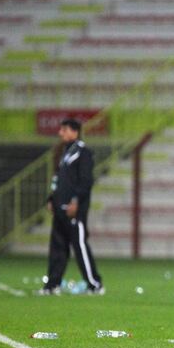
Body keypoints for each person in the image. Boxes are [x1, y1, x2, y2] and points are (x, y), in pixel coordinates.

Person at [39, 118, 103, 295]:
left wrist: (76, 201)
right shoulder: (64, 152)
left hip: (74, 210)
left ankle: (95, 284)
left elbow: (86, 181)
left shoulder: (84, 153)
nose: (61, 133)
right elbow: (57, 179)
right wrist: (51, 199)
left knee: (80, 246)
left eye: (64, 130)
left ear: (75, 132)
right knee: (57, 248)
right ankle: (52, 285)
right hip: (60, 208)